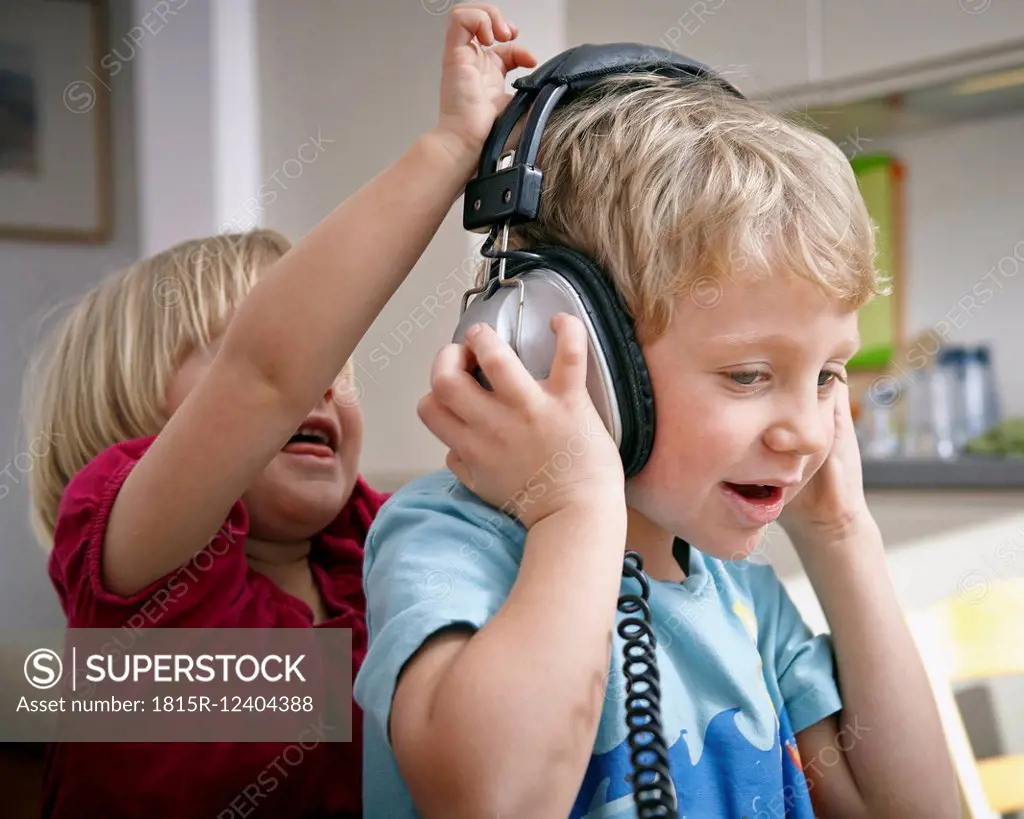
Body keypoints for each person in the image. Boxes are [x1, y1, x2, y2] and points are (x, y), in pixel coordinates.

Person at [353, 56, 961, 818]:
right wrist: (577, 511)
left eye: (828, 374)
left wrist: (843, 535)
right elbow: (495, 800)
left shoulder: (745, 599)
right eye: (747, 375)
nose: (807, 431)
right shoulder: (445, 540)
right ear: (563, 346)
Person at [19, 5, 536, 817]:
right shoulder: (139, 607)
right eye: (303, 358)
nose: (320, 379)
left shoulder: (379, 550)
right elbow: (267, 375)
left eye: (338, 364)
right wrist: (446, 150)